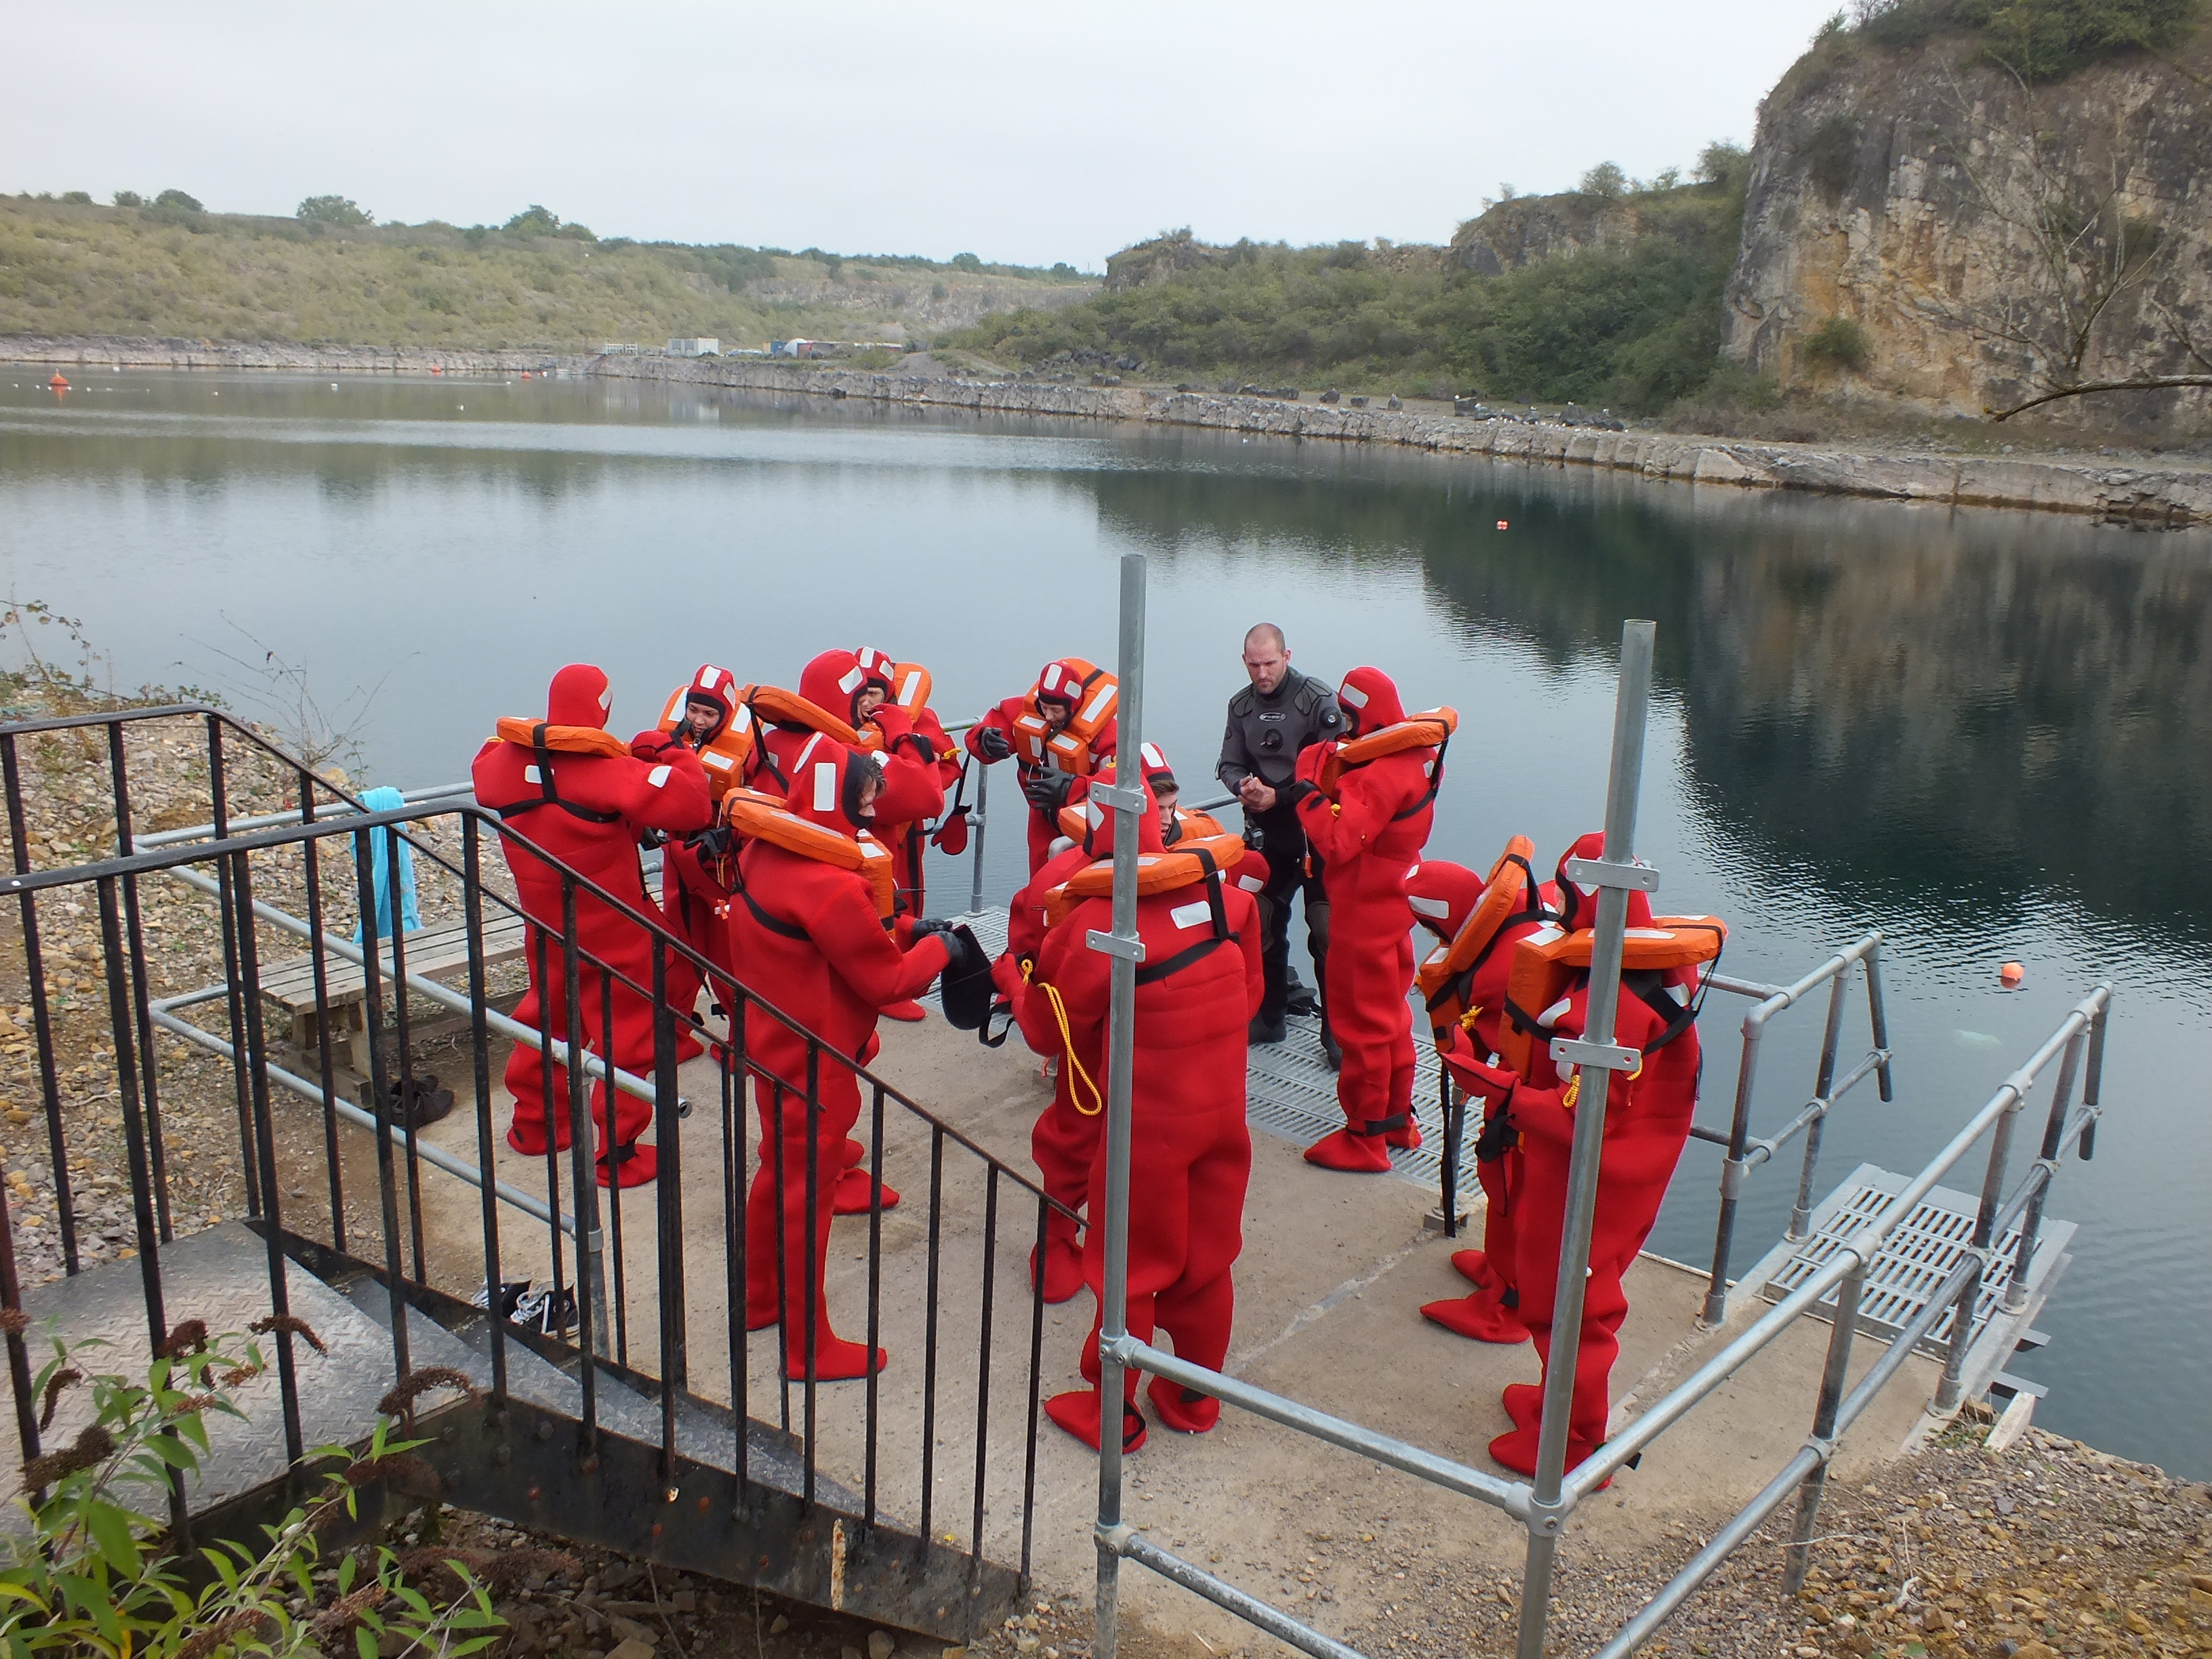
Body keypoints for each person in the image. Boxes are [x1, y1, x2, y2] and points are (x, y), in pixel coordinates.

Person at [1019, 781, 1262, 1453]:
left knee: (1130, 1268)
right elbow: (1250, 996)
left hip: (1149, 1133)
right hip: (1223, 1117)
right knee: (1209, 1259)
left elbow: (1045, 1031)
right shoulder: (1228, 899)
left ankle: (1113, 1414)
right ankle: (1193, 1398)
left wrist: (1016, 978)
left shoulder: (1096, 924)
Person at [729, 743, 954, 1380]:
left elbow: (827, 944)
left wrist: (906, 930)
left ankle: (759, 1300)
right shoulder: (828, 885)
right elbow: (888, 982)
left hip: (768, 1045)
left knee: (775, 1174)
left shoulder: (759, 853)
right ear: (841, 799)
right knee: (809, 1201)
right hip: (817, 1066)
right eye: (866, 800)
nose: (873, 812)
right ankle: (809, 1348)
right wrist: (942, 949)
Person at [473, 663, 712, 1187]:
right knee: (629, 1035)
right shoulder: (610, 774)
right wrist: (671, 751)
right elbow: (693, 806)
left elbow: (488, 763)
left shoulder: (496, 764)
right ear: (602, 709)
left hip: (546, 924)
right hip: (616, 929)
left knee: (546, 1018)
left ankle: (535, 1126)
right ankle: (617, 1155)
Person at [1283, 666, 1448, 1174]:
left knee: (1361, 1025)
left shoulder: (1378, 775)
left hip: (1362, 911)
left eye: (1350, 718)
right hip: (1397, 901)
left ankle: (1364, 1138)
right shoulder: (1420, 758)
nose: (1345, 728)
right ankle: (1398, 1121)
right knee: (1393, 1017)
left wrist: (1307, 792)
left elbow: (1338, 843)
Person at [1216, 624, 1343, 1052]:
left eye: (1270, 663)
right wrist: (1243, 787)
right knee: (1262, 923)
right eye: (1254, 665)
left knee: (1326, 931)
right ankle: (1269, 1018)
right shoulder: (1241, 706)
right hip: (1268, 835)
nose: (1262, 673)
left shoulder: (1317, 701)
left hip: (1315, 837)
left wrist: (1279, 796)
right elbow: (1228, 764)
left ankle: (1336, 1033)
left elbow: (1333, 773)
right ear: (1244, 661)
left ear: (1287, 656)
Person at [652, 665, 748, 1047]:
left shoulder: (748, 751)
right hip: (679, 858)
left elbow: (767, 803)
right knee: (678, 945)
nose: (699, 720)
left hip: (722, 866)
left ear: (725, 715)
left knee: (730, 954)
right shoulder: (672, 742)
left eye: (710, 713)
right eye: (693, 710)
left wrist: (729, 834)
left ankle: (745, 1038)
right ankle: (673, 1034)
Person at [966, 658, 1120, 876]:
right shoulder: (1024, 711)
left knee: (1081, 877)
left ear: (1073, 706)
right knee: (1040, 878)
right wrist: (985, 741)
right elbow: (983, 731)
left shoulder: (1107, 736)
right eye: (1044, 708)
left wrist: (1072, 787)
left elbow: (1116, 786)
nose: (1048, 716)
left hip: (1086, 819)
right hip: (1041, 813)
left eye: (1055, 710)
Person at [853, 646, 961, 920]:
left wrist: (911, 787)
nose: (866, 703)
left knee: (905, 899)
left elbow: (950, 767)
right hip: (856, 826)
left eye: (873, 694)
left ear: (888, 694)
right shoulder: (840, 721)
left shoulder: (919, 721)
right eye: (861, 695)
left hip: (904, 829)